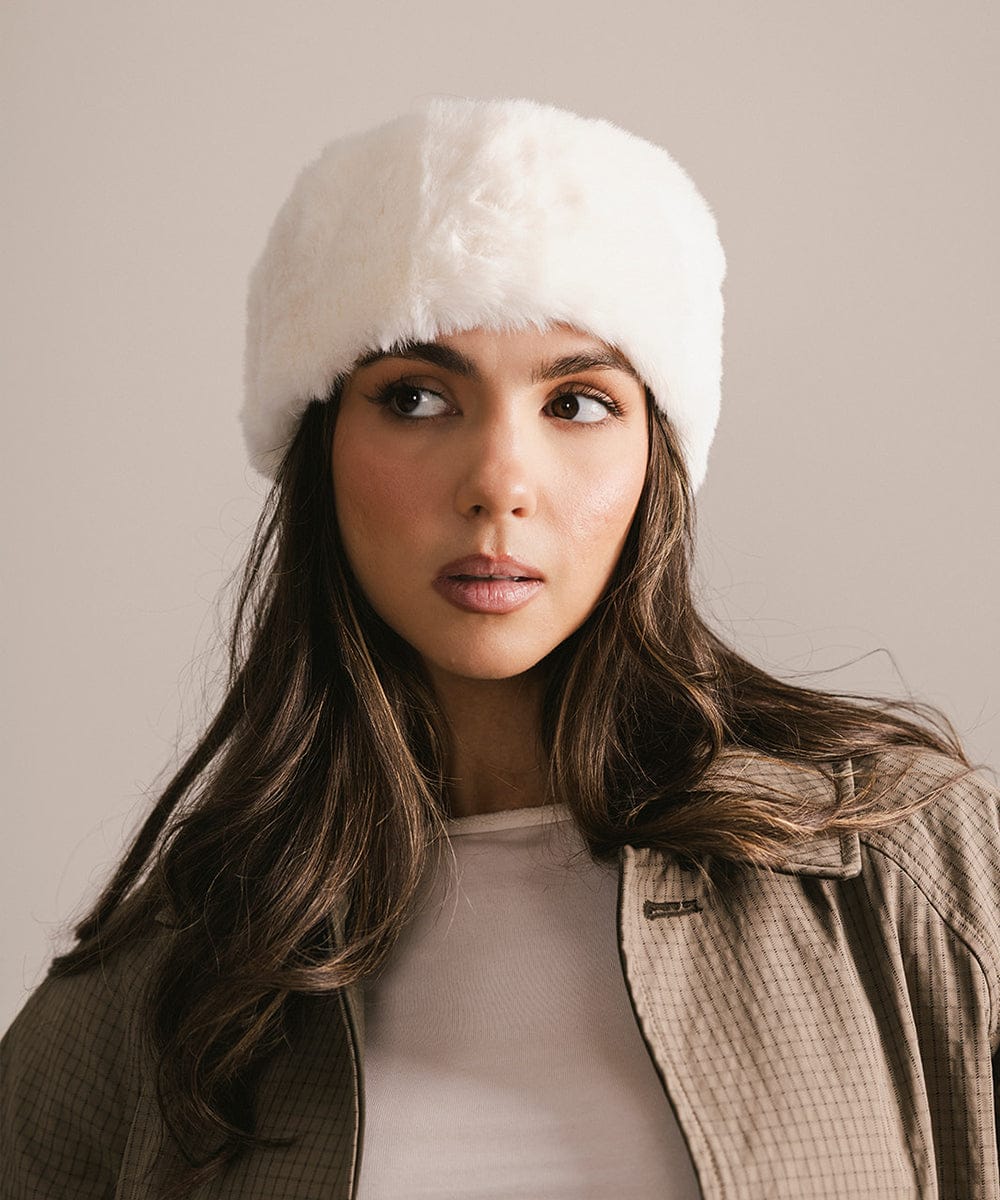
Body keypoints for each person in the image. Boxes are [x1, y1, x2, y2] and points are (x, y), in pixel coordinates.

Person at [1, 94, 997, 1200]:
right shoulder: (174, 983)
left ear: (653, 463)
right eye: (417, 396)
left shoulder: (901, 860)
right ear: (320, 448)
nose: (497, 486)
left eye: (576, 403)